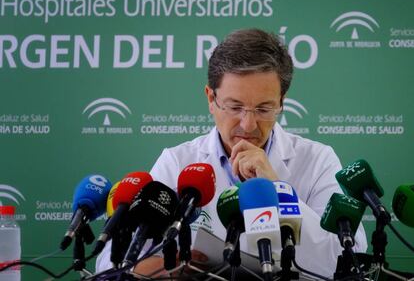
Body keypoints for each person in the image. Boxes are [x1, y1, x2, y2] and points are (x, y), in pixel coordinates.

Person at [96, 28, 367, 277]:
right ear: (211, 100)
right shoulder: (178, 162)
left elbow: (349, 259)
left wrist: (277, 187)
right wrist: (168, 267)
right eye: (235, 107)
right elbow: (110, 262)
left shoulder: (317, 160)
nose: (248, 125)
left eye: (263, 109)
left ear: (282, 102)